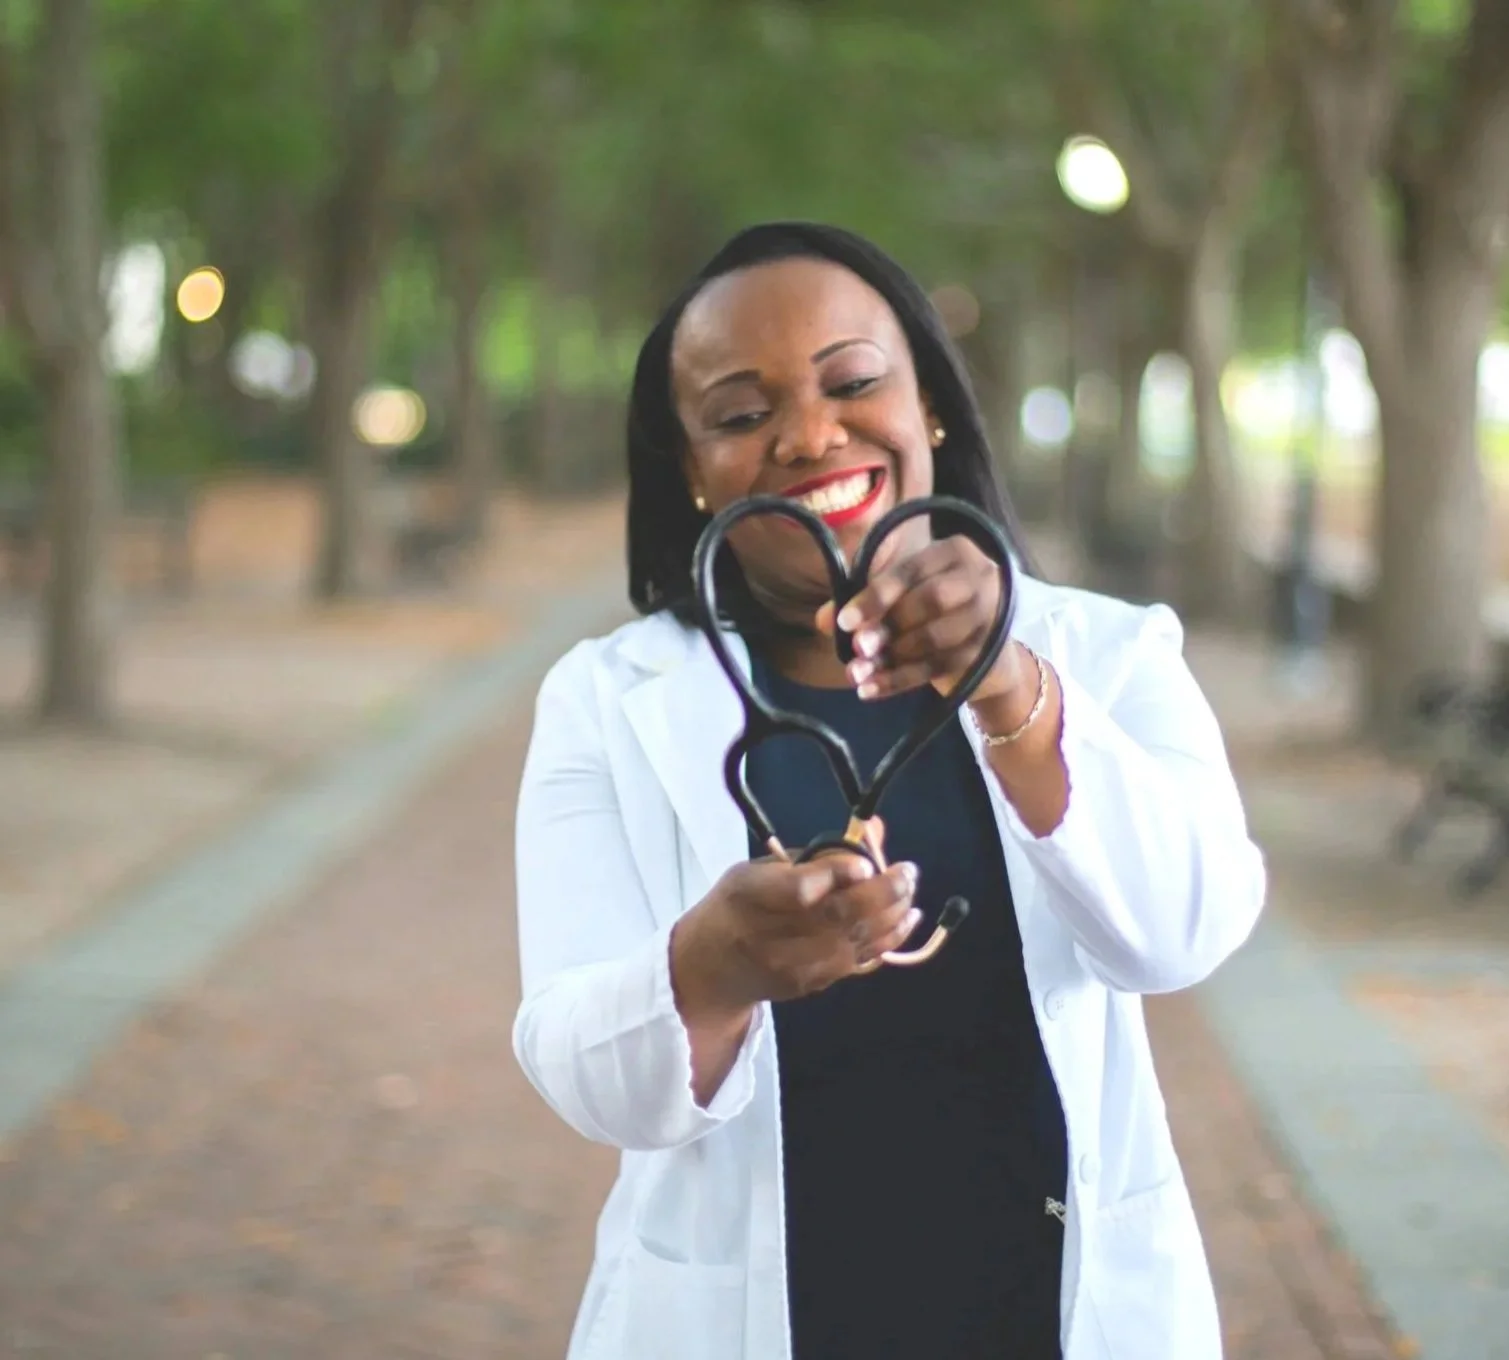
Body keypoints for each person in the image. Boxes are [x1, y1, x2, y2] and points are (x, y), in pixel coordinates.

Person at [512, 221, 1267, 1360]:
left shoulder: (1109, 654)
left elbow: (1182, 933)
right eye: (738, 412)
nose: (808, 434)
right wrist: (710, 969)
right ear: (691, 470)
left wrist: (1010, 687)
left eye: (852, 381)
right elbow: (588, 1075)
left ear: (931, 408)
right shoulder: (603, 701)